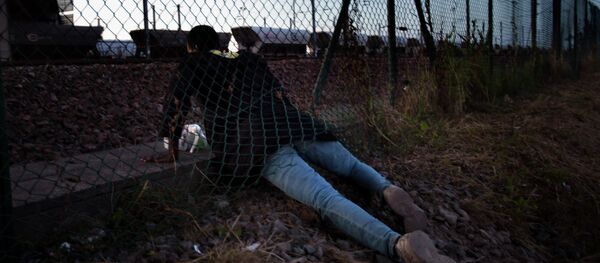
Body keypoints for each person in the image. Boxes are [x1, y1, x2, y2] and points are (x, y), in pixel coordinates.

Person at [143, 25, 455, 263]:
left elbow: (176, 103)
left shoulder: (193, 62)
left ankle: (397, 245)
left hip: (256, 138)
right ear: (218, 43)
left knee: (326, 198)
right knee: (351, 165)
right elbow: (279, 93)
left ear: (192, 46)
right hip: (290, 121)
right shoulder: (245, 57)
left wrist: (171, 146)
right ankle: (390, 191)